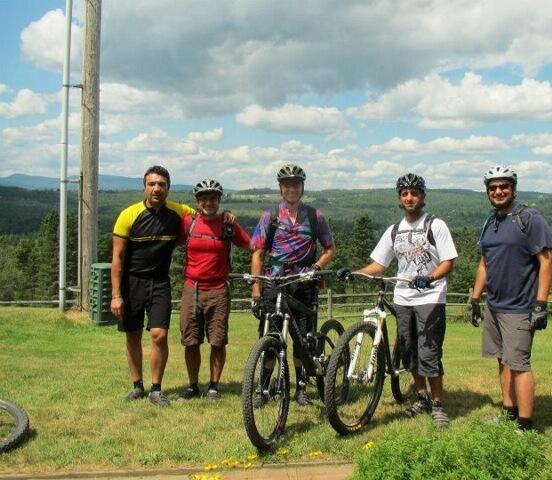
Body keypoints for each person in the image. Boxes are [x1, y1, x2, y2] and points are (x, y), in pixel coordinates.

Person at [337, 173, 457, 428]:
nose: (409, 198)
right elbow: (379, 264)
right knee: (408, 348)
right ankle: (422, 397)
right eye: (405, 194)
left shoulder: (435, 225)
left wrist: (430, 277)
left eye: (414, 193)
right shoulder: (394, 231)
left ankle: (437, 404)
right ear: (400, 199)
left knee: (429, 350)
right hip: (402, 296)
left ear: (422, 196)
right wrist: (354, 273)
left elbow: (448, 262)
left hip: (430, 297)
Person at [469, 165, 552, 431]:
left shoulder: (530, 218)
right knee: (502, 360)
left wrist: (540, 304)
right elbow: (485, 263)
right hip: (494, 305)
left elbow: (547, 262)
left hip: (520, 307)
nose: (498, 191)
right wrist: (474, 298)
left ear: (513, 189)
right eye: (493, 187)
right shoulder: (490, 222)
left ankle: (525, 425)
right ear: (487, 192)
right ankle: (508, 412)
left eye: (504, 186)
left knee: (519, 364)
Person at [250, 163, 336, 406]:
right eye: (287, 185)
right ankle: (263, 388)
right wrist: (256, 288)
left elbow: (330, 249)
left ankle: (300, 387)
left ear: (302, 187)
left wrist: (317, 268)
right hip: (275, 282)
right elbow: (257, 253)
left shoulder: (314, 216)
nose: (291, 189)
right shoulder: (270, 216)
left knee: (302, 339)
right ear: (280, 188)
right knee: (271, 336)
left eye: (296, 184)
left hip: (304, 283)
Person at [111, 165, 194, 406]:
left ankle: (156, 389)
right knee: (133, 334)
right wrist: (116, 295)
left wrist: (227, 215)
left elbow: (204, 213)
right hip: (131, 282)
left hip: (159, 282)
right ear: (145, 187)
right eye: (152, 184)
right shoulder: (129, 215)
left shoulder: (178, 212)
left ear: (168, 188)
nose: (157, 188)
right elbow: (117, 258)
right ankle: (138, 386)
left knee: (159, 335)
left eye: (162, 184)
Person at [177, 179, 252, 402]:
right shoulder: (187, 223)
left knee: (218, 341)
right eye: (204, 198)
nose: (209, 202)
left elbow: (251, 245)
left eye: (213, 198)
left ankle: (213, 386)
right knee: (191, 341)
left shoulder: (228, 224)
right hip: (192, 288)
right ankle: (193, 386)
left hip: (218, 289)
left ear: (219, 200)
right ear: (197, 201)